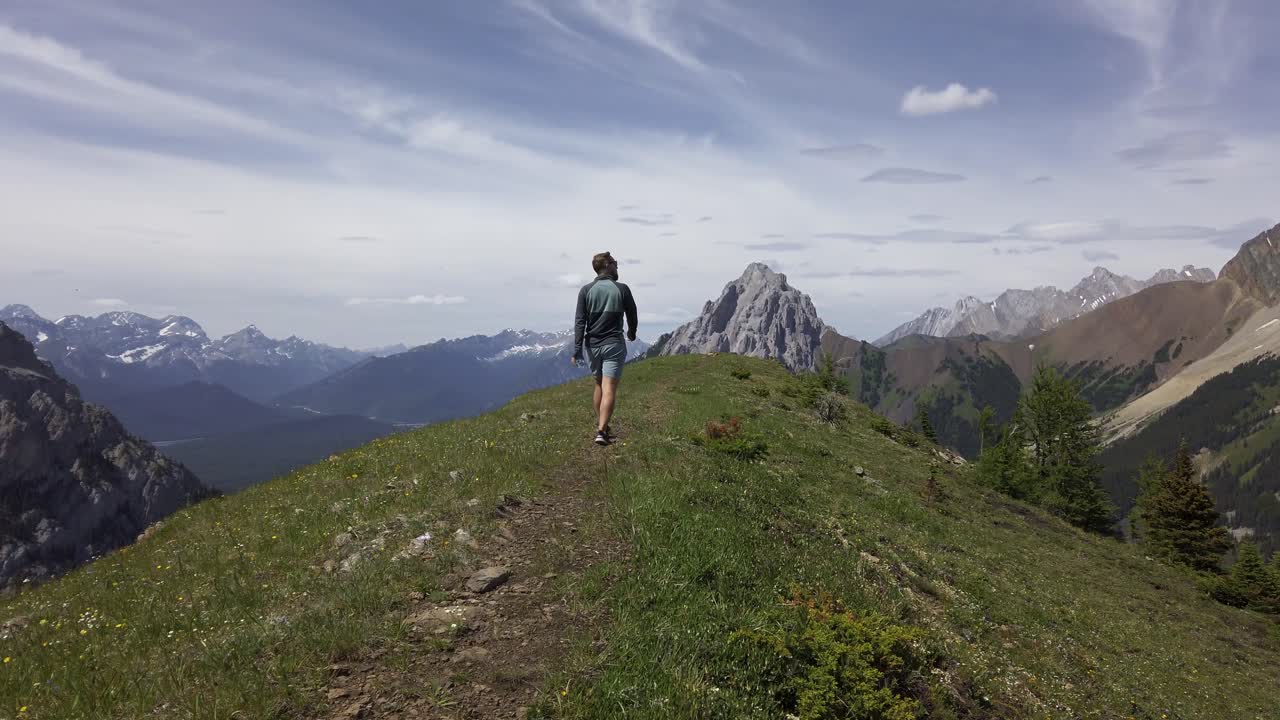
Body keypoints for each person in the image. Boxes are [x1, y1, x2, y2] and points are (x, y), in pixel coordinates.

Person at [572, 251, 638, 445]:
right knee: (609, 387)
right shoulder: (622, 289)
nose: (617, 267)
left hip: (592, 346)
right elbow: (632, 314)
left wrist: (577, 350)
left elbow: (580, 322)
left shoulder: (586, 291)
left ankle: (601, 425)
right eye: (615, 263)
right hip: (613, 344)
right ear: (607, 265)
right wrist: (632, 332)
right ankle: (601, 431)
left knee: (599, 385)